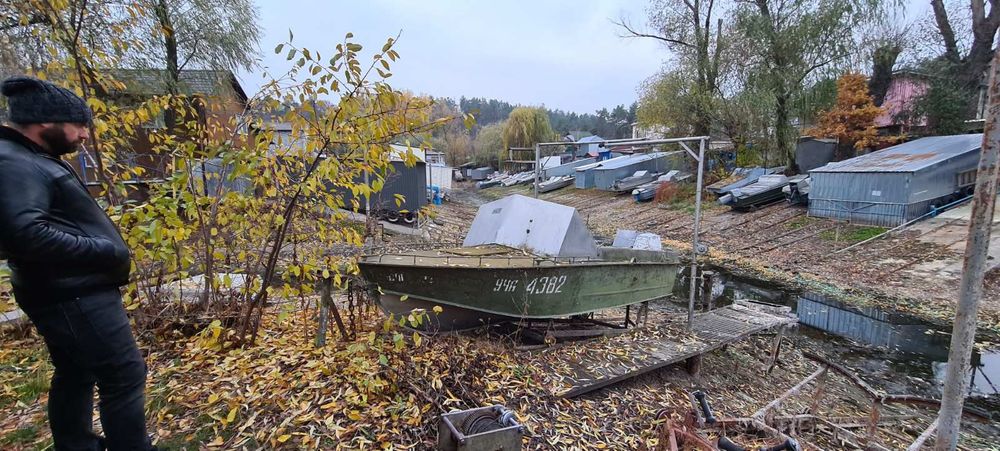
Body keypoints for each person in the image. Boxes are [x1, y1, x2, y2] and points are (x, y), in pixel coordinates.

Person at [0, 76, 153, 450]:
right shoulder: (15, 163)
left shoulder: (29, 158)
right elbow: (24, 232)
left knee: (76, 371)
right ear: (45, 123)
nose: (85, 134)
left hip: (68, 290)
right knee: (123, 374)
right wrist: (103, 250)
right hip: (74, 296)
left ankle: (76, 444)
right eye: (79, 124)